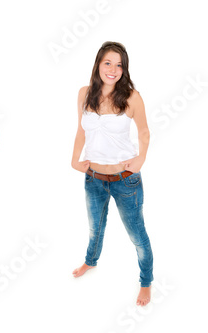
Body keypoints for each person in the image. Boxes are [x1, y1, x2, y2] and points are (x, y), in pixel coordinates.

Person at [71, 41, 153, 306]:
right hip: (93, 178)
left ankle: (146, 282)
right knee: (95, 228)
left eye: (119, 65)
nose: (113, 69)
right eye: (108, 62)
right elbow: (82, 130)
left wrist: (140, 159)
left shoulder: (131, 96)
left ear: (124, 69)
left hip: (125, 180)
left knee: (137, 234)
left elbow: (143, 131)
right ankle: (90, 262)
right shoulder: (84, 94)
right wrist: (74, 159)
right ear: (98, 65)